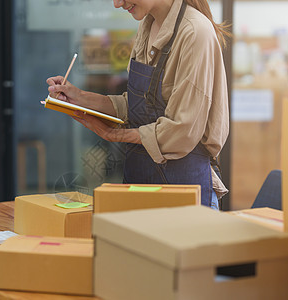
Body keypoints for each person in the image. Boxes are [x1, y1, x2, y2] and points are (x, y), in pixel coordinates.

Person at [47, 0, 231, 209]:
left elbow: (183, 131)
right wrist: (80, 97)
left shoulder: (195, 32)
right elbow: (138, 105)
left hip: (184, 194)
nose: (117, 4)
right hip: (140, 185)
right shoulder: (147, 25)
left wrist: (114, 135)